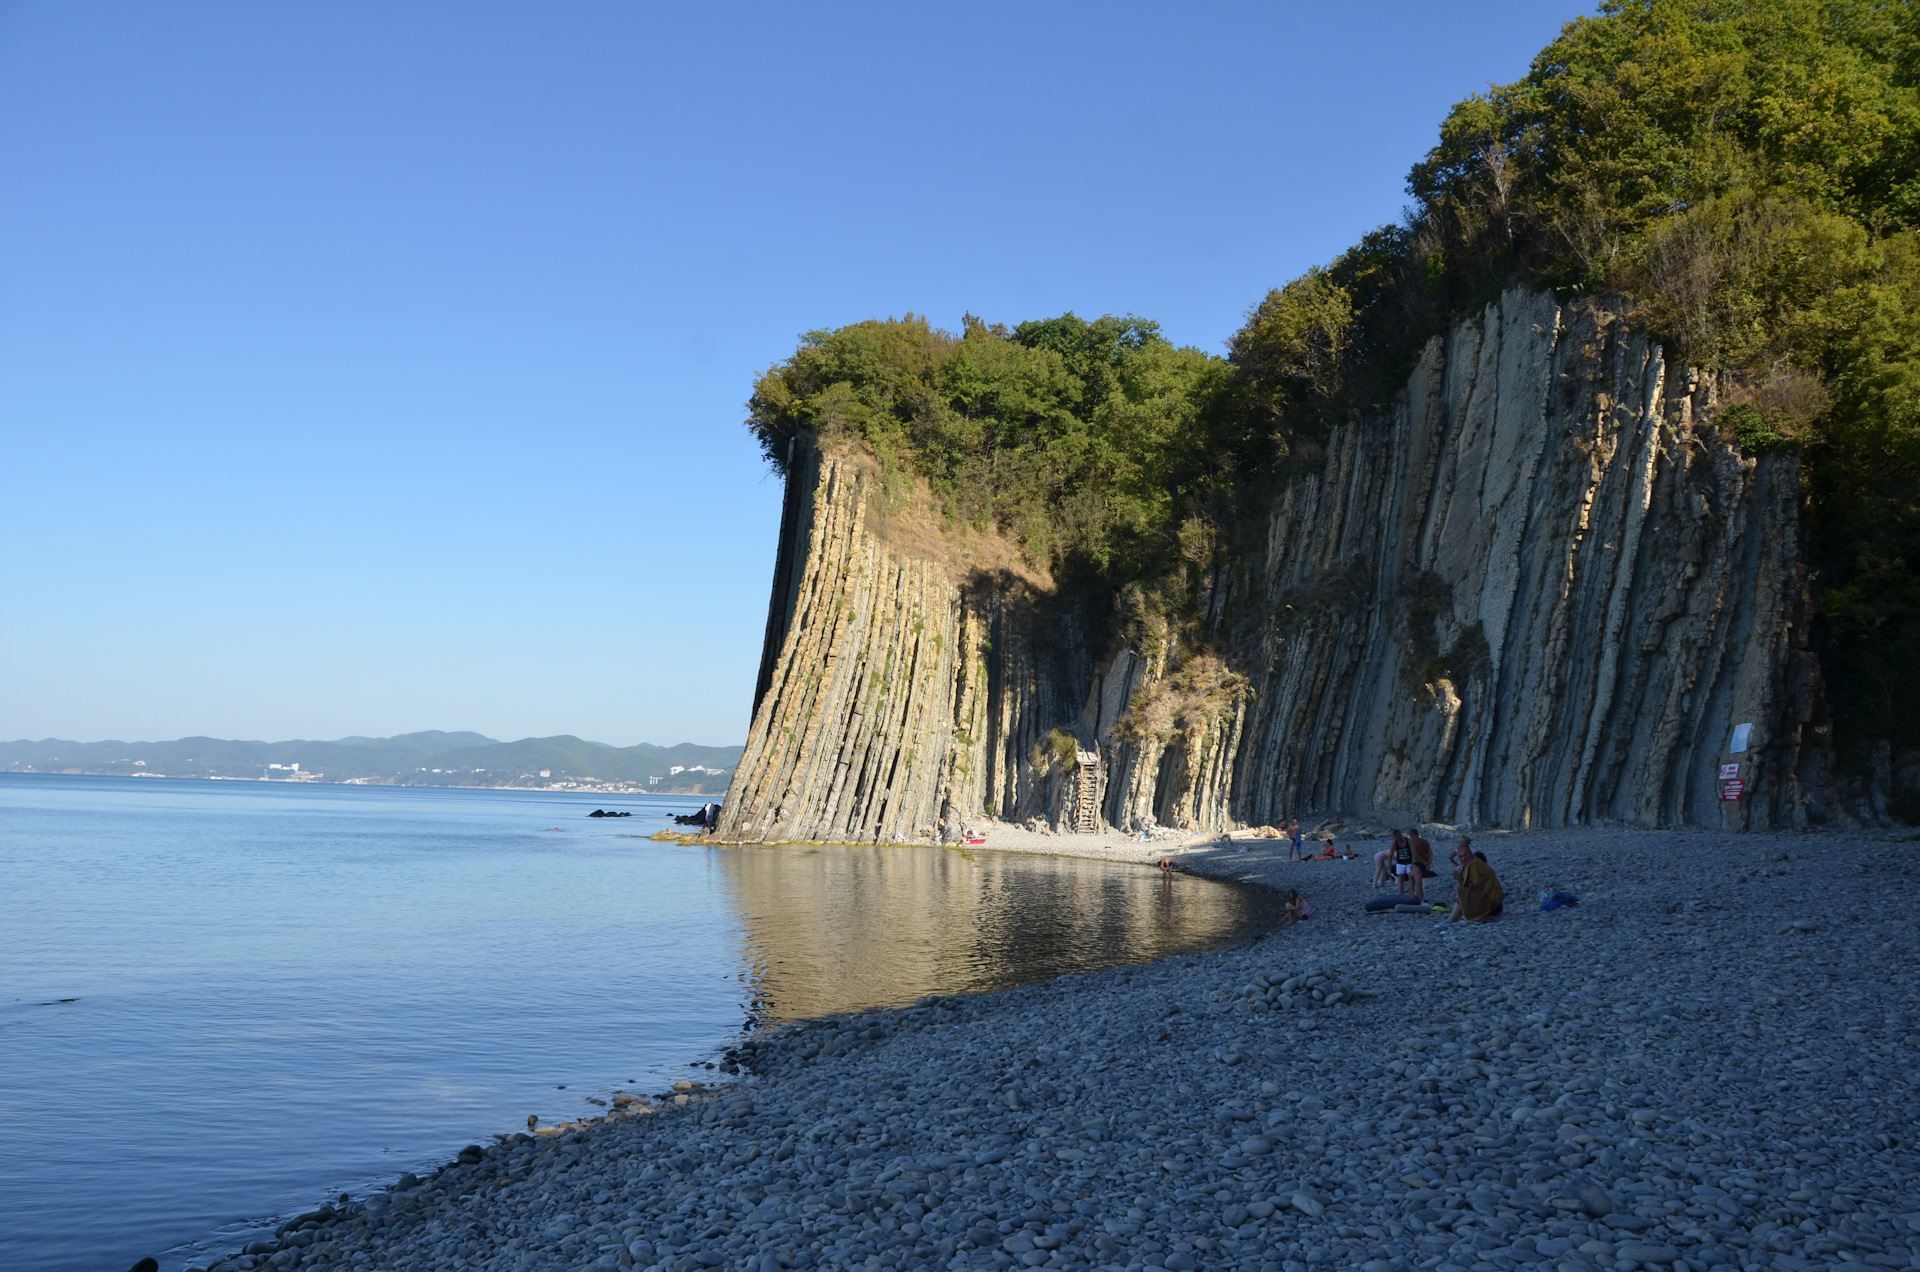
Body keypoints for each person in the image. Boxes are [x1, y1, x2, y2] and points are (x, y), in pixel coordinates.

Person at [1442, 838, 1504, 924]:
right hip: (1492, 902)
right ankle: (1450, 921)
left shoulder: (1475, 865)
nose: (1463, 858)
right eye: (1461, 857)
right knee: (1459, 895)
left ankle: (1483, 916)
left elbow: (1472, 888)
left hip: (1493, 906)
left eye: (1465, 855)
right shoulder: (1469, 865)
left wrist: (1459, 881)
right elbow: (1468, 886)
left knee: (1460, 895)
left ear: (1471, 853)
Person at [1407, 829, 1434, 903]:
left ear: (1411, 834)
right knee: (1411, 876)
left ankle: (1420, 899)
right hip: (1423, 866)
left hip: (1416, 865)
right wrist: (1428, 864)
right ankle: (1412, 895)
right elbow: (1431, 855)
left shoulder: (1412, 842)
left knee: (1418, 885)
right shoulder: (1425, 842)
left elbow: (1415, 855)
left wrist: (1423, 862)